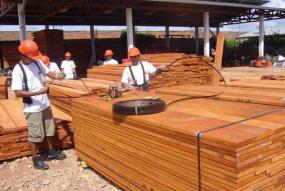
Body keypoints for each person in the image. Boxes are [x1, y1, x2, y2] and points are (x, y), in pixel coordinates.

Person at [11, 39, 66, 170]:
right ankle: (36, 158)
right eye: (32, 57)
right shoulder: (18, 70)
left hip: (45, 105)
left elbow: (49, 74)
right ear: (23, 55)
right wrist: (37, 92)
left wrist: (58, 75)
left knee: (49, 130)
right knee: (35, 135)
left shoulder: (37, 62)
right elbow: (18, 93)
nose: (34, 59)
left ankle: (51, 151)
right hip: (32, 108)